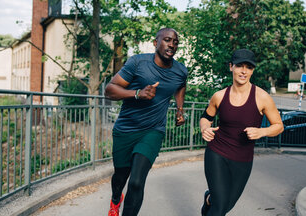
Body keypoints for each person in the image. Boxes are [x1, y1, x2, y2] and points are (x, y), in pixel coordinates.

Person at [104, 28, 187, 216]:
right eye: (167, 40)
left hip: (153, 130)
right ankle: (116, 199)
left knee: (136, 182)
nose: (172, 45)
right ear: (155, 42)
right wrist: (137, 93)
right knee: (120, 177)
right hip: (126, 129)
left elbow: (181, 86)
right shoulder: (138, 63)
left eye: (175, 42)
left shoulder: (180, 70)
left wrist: (179, 110)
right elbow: (109, 90)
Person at [199, 49, 284, 216]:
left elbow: (279, 126)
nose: (244, 71)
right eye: (239, 66)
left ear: (252, 70)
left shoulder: (262, 97)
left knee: (226, 204)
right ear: (231, 67)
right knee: (220, 207)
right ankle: (213, 202)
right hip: (217, 152)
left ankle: (209, 199)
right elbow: (205, 118)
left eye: (249, 67)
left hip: (242, 159)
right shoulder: (219, 96)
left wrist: (262, 132)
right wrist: (204, 128)